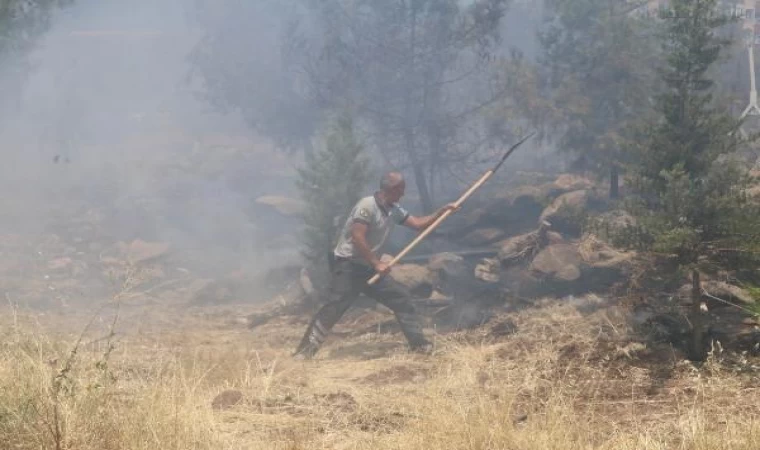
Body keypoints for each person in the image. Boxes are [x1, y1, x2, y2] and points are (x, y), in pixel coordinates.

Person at [293, 171, 459, 359]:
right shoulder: (367, 206)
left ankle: (419, 346)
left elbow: (419, 224)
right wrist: (376, 262)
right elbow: (357, 236)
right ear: (391, 189)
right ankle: (304, 353)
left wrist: (442, 212)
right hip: (348, 266)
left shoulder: (393, 209)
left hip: (369, 268)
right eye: (401, 190)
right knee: (334, 307)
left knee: (401, 298)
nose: (403, 194)